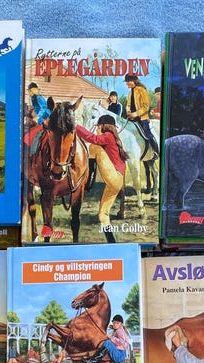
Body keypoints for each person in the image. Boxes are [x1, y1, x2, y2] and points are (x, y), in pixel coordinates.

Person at [76, 114, 128, 243]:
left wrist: (76, 127)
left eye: (98, 127)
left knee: (94, 147)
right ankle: (111, 241)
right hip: (117, 182)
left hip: (114, 176)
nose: (97, 129)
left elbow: (92, 138)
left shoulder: (108, 136)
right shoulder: (114, 138)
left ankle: (89, 180)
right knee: (103, 214)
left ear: (104, 126)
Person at [124, 73, 159, 193]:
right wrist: (128, 111)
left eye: (128, 82)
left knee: (148, 134)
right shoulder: (130, 92)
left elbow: (145, 106)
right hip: (132, 119)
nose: (127, 84)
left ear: (133, 81)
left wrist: (135, 113)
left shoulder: (142, 90)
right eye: (126, 82)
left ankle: (156, 151)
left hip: (142, 118)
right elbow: (128, 105)